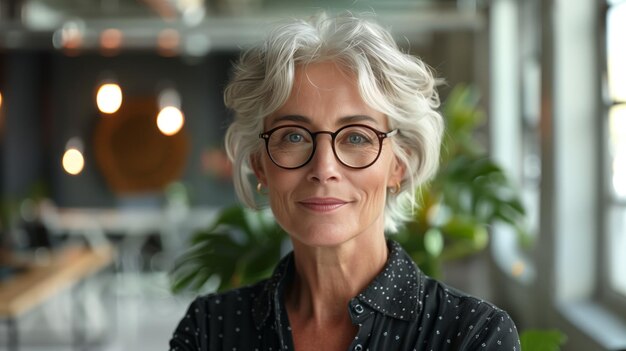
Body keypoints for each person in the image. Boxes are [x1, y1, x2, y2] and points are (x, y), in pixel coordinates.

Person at [170, 12, 520, 351]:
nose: (324, 168)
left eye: (356, 137)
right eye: (293, 136)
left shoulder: (472, 336)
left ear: (398, 164)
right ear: (260, 166)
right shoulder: (210, 329)